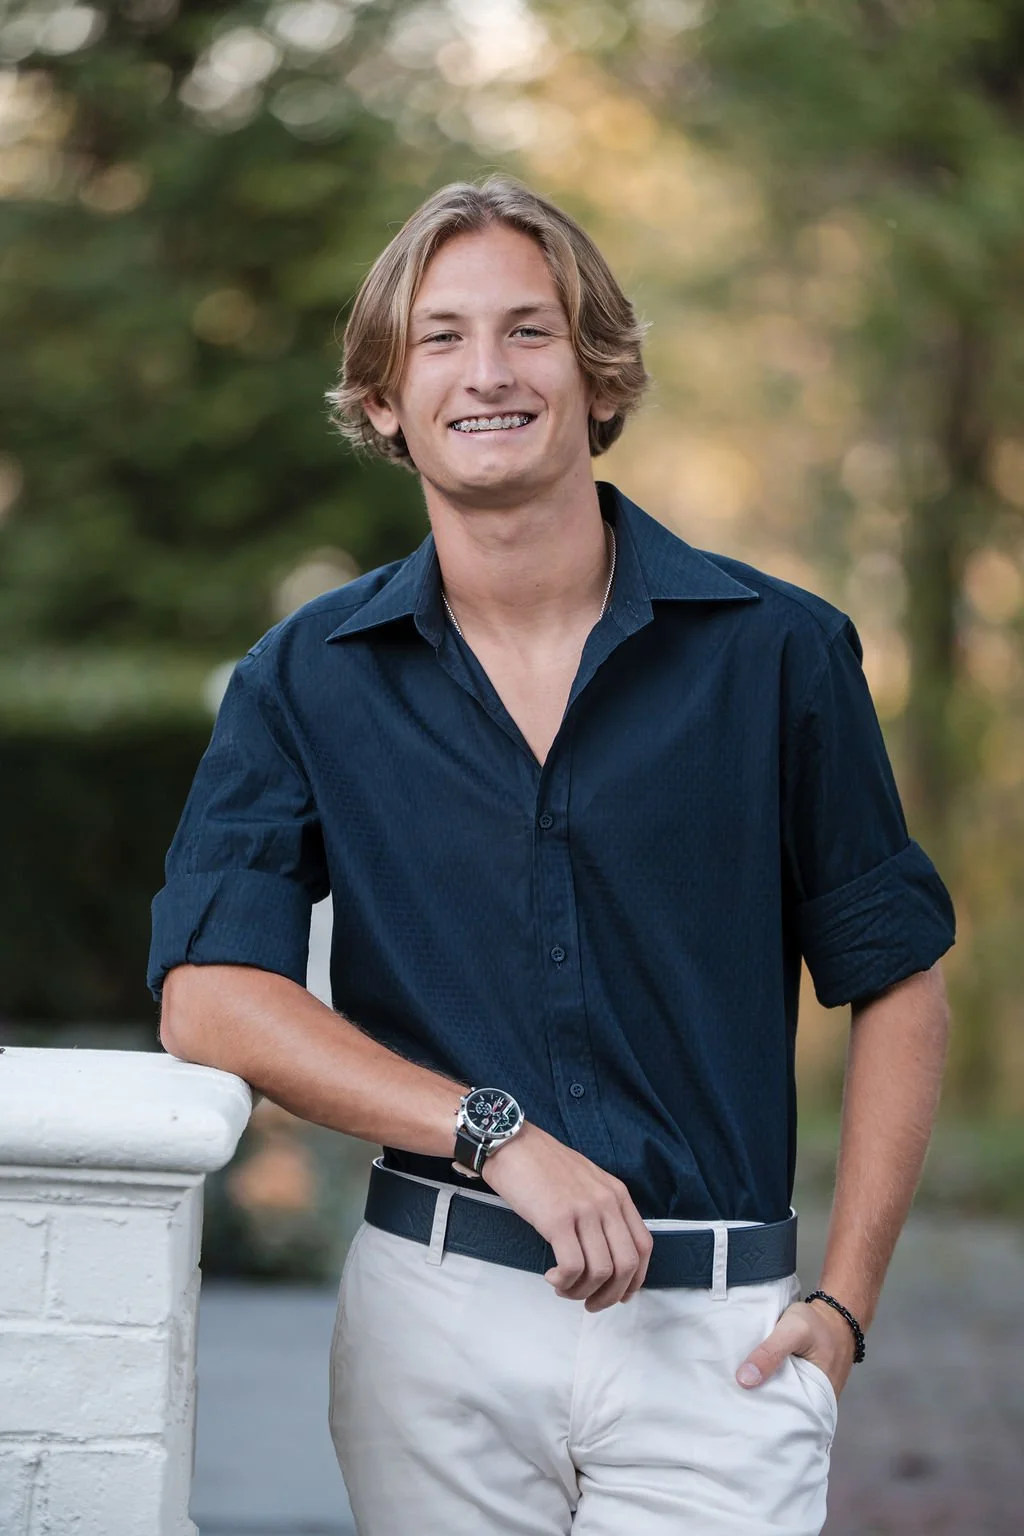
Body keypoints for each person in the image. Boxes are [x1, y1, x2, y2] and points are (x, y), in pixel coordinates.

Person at [149, 175, 955, 1536]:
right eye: (442, 338)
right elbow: (208, 996)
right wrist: (494, 1133)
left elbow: (899, 981)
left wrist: (845, 1308)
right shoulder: (305, 679)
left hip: (719, 1340)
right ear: (387, 401)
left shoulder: (780, 654)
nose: (488, 373)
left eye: (529, 331)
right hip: (438, 1327)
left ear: (596, 376)